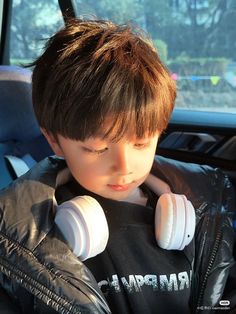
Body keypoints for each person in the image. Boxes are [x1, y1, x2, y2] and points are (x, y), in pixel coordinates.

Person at [0, 18, 235, 314]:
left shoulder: (202, 208)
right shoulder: (23, 241)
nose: (124, 167)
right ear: (54, 141)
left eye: (141, 143)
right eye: (97, 149)